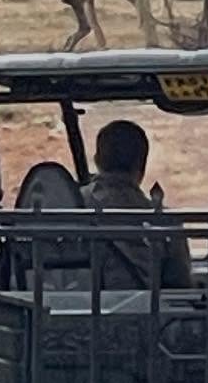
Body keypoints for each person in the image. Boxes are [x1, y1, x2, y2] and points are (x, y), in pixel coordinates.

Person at [81, 119, 193, 287]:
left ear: (97, 160)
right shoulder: (165, 222)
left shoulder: (72, 206)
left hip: (74, 302)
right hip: (144, 304)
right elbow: (180, 285)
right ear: (141, 165)